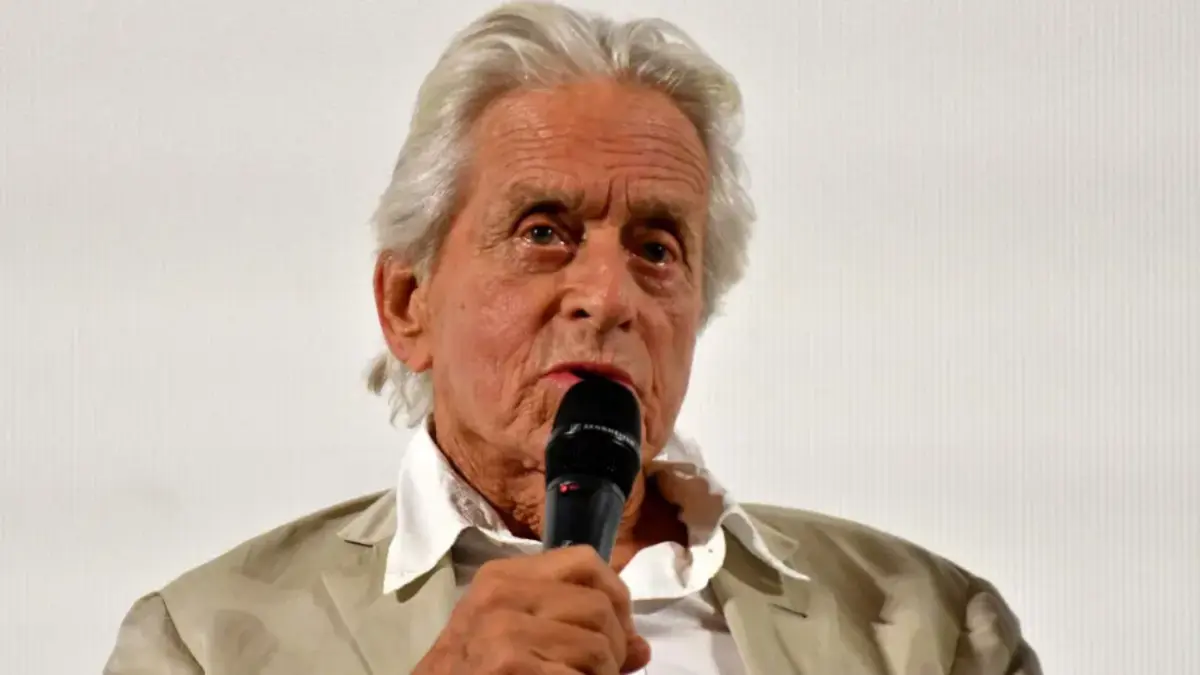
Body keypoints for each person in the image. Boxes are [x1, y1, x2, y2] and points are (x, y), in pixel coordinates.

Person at [103, 3, 1041, 674]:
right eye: (544, 232)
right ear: (407, 303)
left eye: (657, 248)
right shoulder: (206, 642)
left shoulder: (929, 632)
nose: (607, 294)